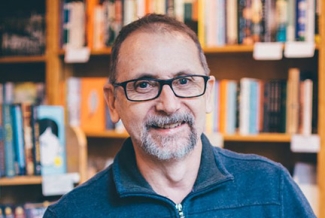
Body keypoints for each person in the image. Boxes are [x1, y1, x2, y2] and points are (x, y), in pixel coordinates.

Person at [43, 14, 315, 217]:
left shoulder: (270, 188)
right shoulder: (72, 213)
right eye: (144, 85)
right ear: (113, 102)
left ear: (208, 93)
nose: (169, 105)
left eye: (184, 81)